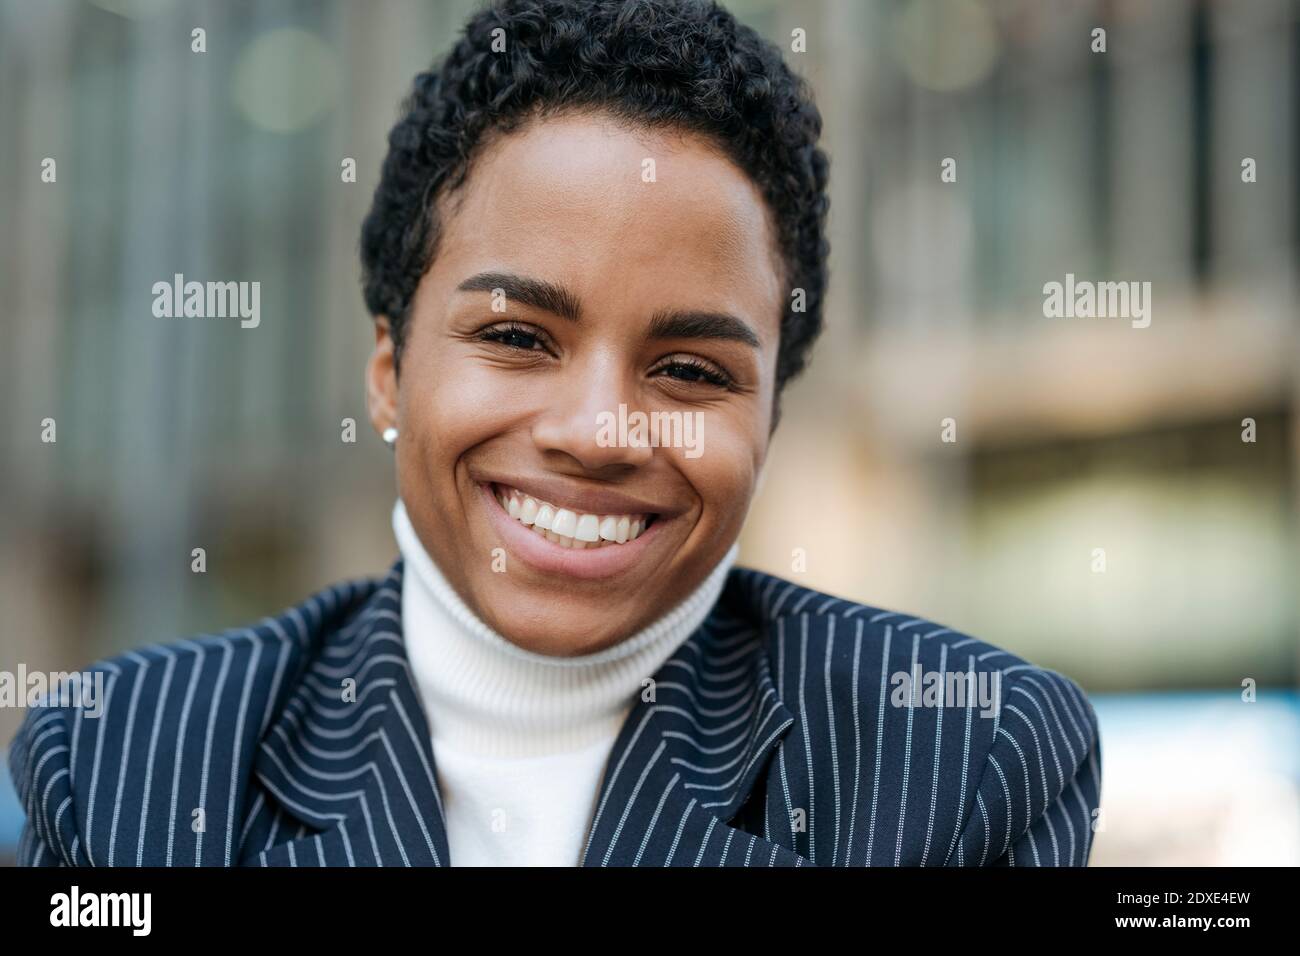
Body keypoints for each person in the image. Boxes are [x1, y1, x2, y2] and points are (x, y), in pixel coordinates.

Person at [8, 0, 1100, 867]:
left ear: (768, 415)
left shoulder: (961, 757)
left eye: (688, 369)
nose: (597, 429)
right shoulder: (126, 760)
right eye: (519, 336)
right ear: (389, 370)